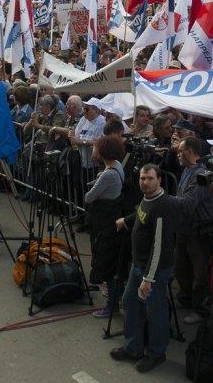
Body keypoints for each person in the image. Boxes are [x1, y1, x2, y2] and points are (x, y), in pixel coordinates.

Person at [110, 164, 177, 373]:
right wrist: (126, 220)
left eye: (150, 179)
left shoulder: (162, 206)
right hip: (138, 265)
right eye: (142, 178)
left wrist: (149, 278)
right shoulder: (147, 198)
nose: (145, 182)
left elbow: (159, 246)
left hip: (154, 270)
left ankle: (156, 353)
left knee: (155, 311)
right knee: (130, 302)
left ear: (159, 180)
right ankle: (133, 348)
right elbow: (141, 214)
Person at [173, 136, 213, 325]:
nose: (178, 154)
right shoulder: (186, 170)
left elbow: (189, 203)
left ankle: (201, 309)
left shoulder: (201, 175)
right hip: (184, 227)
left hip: (198, 230)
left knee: (200, 272)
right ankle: (185, 297)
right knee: (180, 265)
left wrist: (166, 201)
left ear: (189, 151)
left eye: (180, 151)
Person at [86, 135, 127, 319]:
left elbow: (88, 197)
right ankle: (117, 297)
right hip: (113, 218)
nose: (93, 149)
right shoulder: (117, 165)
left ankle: (112, 305)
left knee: (108, 264)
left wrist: (98, 182)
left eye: (95, 147)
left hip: (106, 222)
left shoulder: (108, 173)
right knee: (113, 262)